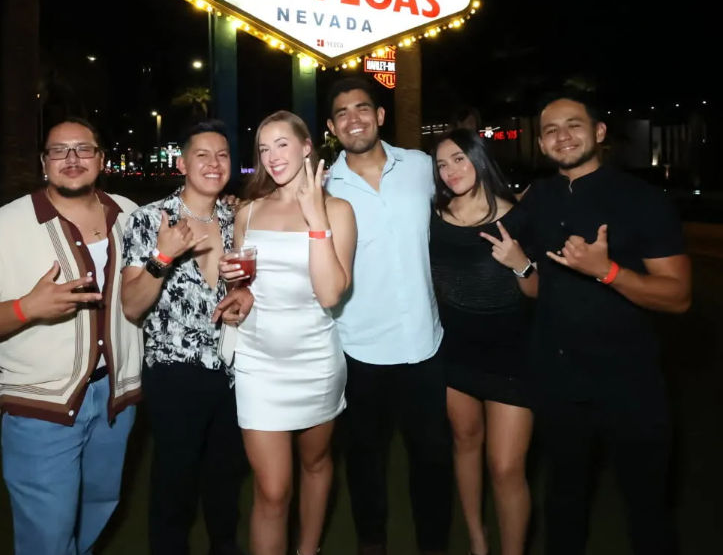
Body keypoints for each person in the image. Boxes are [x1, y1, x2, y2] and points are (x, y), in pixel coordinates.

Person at [0, 117, 142, 555]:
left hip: (115, 398)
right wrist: (26, 308)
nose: (72, 159)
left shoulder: (129, 214)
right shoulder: (5, 226)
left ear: (102, 158)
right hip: (41, 405)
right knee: (48, 536)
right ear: (44, 162)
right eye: (59, 150)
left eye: (83, 149)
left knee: (100, 505)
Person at [521, 93, 691, 555]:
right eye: (551, 129)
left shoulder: (642, 200)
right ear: (541, 142)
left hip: (630, 384)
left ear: (598, 133)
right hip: (558, 383)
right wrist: (518, 267)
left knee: (648, 512)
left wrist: (607, 271)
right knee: (563, 504)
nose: (562, 136)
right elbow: (540, 287)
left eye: (573, 125)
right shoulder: (539, 198)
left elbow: (678, 296)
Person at [324, 76, 453, 555]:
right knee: (364, 462)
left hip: (425, 343)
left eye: (362, 108)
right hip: (357, 347)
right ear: (332, 126)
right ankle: (371, 543)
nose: (353, 118)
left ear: (380, 116)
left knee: (432, 461)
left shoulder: (421, 167)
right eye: (342, 112)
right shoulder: (322, 184)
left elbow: (470, 199)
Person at [219, 110, 356, 555]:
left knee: (316, 462)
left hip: (316, 359)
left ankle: (308, 549)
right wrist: (237, 289)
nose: (272, 156)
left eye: (282, 144)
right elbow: (245, 284)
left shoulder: (338, 210)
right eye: (263, 147)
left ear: (306, 146)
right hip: (259, 362)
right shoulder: (250, 209)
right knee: (273, 490)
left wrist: (316, 220)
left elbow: (331, 293)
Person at [121, 120, 252, 555]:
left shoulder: (240, 218)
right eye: (202, 155)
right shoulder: (149, 219)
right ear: (182, 163)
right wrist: (163, 256)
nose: (214, 164)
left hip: (234, 371)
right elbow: (132, 306)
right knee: (174, 486)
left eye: (222, 155)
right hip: (175, 372)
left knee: (226, 481)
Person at [429, 128, 536, 555]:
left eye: (458, 158)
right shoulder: (432, 217)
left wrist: (521, 264)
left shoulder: (520, 216)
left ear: (478, 157)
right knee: (465, 443)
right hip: (455, 349)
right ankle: (477, 539)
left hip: (514, 354)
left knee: (506, 467)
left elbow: (540, 292)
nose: (450, 170)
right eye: (441, 164)